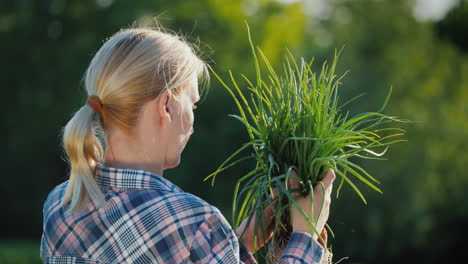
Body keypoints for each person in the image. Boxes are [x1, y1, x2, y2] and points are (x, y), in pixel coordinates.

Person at [40, 26, 336, 264]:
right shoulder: (193, 221)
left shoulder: (61, 204)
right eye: (192, 105)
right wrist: (305, 238)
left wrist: (237, 245)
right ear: (167, 106)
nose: (192, 121)